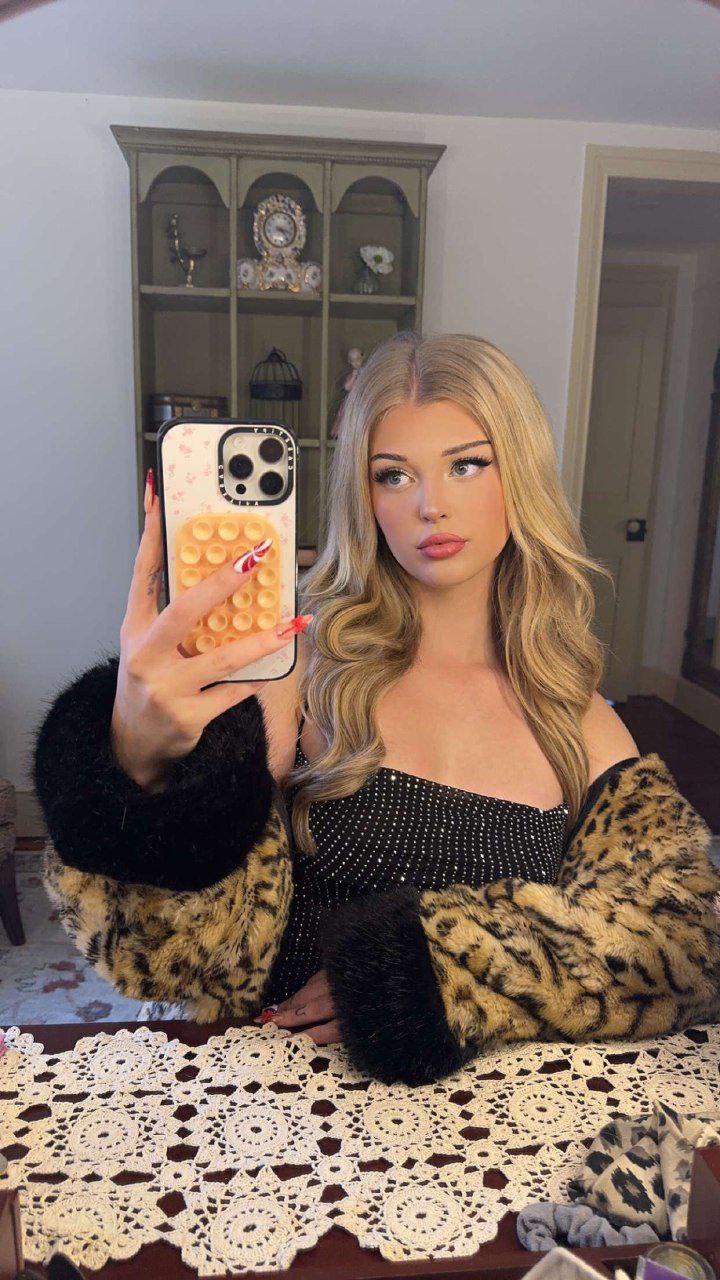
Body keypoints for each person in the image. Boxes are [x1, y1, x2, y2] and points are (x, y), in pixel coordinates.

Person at [32, 331, 720, 1087]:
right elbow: (168, 962)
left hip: (487, 1117)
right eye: (393, 475)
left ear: (520, 475)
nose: (431, 505)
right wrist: (135, 766)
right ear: (364, 500)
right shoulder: (299, 669)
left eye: (467, 464)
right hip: (283, 1097)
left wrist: (442, 972)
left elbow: (683, 947)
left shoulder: (570, 711)